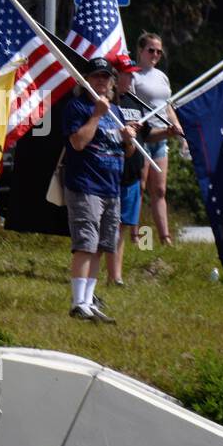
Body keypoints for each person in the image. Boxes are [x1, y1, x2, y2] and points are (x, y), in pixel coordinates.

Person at [62, 57, 137, 323]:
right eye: (96, 77)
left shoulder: (115, 111)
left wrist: (129, 140)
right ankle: (77, 301)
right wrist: (96, 115)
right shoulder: (78, 107)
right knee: (85, 243)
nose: (102, 81)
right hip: (86, 185)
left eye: (106, 77)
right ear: (86, 80)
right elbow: (78, 143)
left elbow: (125, 152)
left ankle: (88, 301)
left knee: (101, 246)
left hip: (111, 188)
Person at [131, 33, 184, 246]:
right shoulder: (133, 75)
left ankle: (165, 237)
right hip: (143, 136)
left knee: (160, 189)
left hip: (162, 135)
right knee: (140, 186)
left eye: (159, 51)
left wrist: (179, 131)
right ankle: (135, 236)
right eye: (151, 50)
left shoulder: (162, 76)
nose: (155, 55)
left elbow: (167, 106)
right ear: (141, 51)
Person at [105, 58, 149, 286]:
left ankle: (116, 275)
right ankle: (112, 275)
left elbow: (147, 137)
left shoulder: (135, 102)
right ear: (116, 76)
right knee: (110, 226)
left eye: (133, 75)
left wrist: (169, 133)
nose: (131, 78)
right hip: (112, 173)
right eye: (127, 74)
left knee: (122, 227)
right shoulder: (107, 104)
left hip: (133, 175)